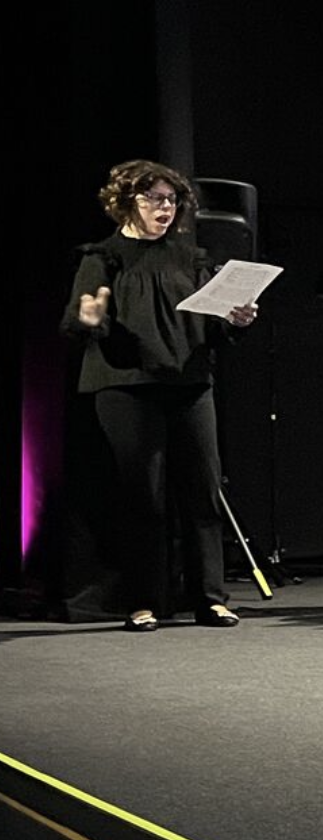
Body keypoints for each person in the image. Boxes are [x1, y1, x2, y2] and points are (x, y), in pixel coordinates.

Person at [61, 160, 257, 630]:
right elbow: (77, 321)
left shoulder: (192, 258)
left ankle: (210, 598)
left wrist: (234, 321)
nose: (164, 208)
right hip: (127, 386)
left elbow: (210, 325)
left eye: (171, 200)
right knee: (143, 497)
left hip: (189, 382)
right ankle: (144, 601)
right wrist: (90, 320)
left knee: (202, 491)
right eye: (153, 199)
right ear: (127, 202)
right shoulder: (103, 256)